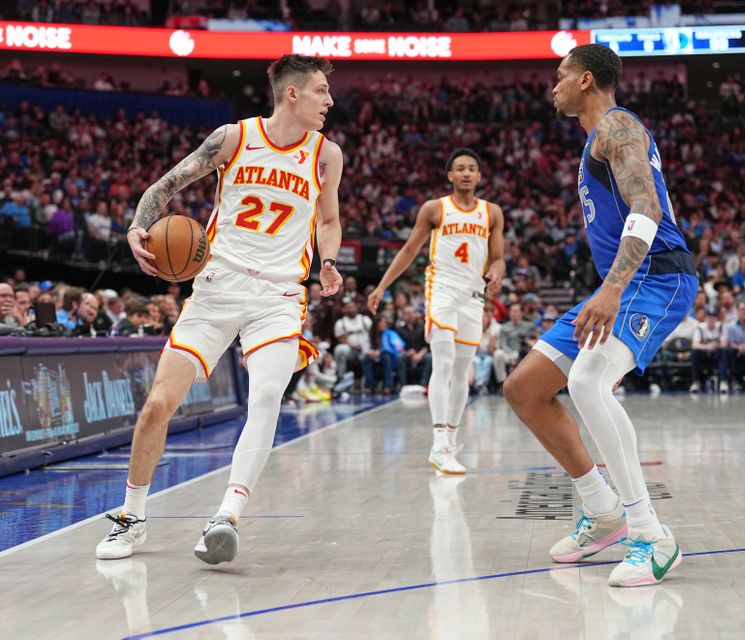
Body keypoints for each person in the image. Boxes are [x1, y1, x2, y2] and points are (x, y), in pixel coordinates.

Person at [96, 54, 343, 565]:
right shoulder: (233, 138)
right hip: (215, 286)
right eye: (321, 90)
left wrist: (330, 261)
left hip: (278, 295)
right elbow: (164, 187)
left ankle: (226, 516)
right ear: (292, 94)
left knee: (269, 393)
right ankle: (132, 516)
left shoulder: (326, 155)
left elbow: (330, 218)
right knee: (159, 403)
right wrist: (137, 228)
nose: (329, 100)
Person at [503, 45, 696, 587]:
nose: (553, 85)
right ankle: (602, 508)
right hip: (623, 281)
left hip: (654, 276)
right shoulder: (598, 137)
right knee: (525, 388)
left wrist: (611, 288)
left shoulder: (618, 127)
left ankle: (651, 535)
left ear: (586, 79)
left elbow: (648, 211)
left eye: (560, 76)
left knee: (587, 380)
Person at [367, 148, 505, 474]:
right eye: (460, 168)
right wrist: (382, 286)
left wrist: (497, 271)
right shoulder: (435, 208)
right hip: (441, 290)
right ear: (450, 175)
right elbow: (409, 249)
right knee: (442, 362)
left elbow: (497, 257)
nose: (467, 173)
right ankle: (439, 442)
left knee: (462, 372)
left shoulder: (492, 213)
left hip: (474, 295)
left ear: (479, 175)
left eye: (472, 168)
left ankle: (451, 441)